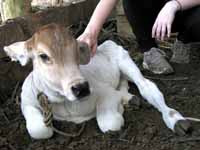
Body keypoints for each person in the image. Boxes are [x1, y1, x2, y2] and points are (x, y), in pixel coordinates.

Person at [78, 0, 200, 74]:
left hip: (185, 10)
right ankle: (149, 49)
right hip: (154, 16)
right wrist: (90, 32)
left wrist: (173, 5)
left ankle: (185, 39)